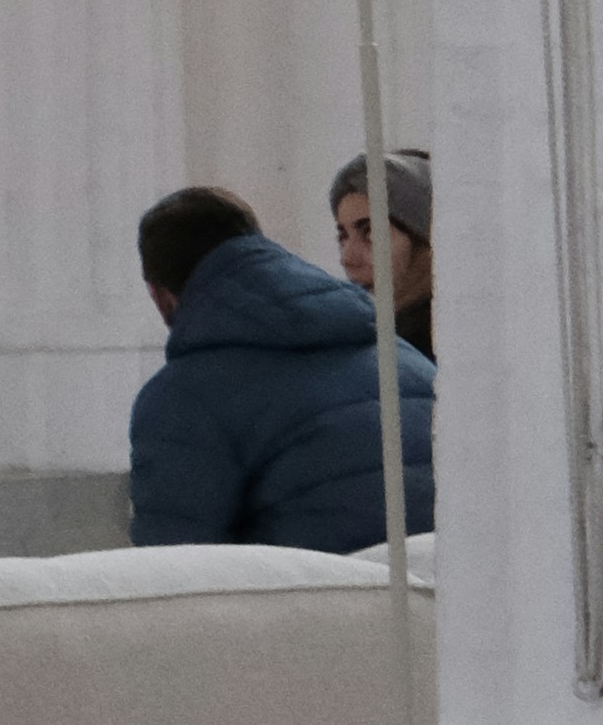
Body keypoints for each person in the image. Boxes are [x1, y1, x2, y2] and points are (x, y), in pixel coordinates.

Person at [129, 183, 434, 552]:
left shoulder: (181, 397)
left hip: (336, 596)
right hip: (452, 582)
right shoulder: (400, 354)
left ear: (158, 294)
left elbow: (175, 570)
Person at [329, 144, 435, 359]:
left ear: (425, 239)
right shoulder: (379, 339)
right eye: (343, 236)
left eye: (371, 233)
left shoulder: (420, 350)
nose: (348, 259)